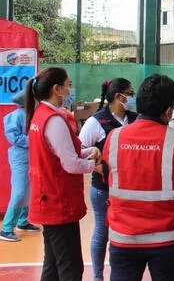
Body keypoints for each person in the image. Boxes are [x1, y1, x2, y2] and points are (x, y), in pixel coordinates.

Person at [102, 74, 174, 281]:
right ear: (169, 109)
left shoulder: (114, 137)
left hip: (123, 236)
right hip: (167, 239)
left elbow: (108, 175)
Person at [26, 67, 101, 281]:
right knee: (70, 268)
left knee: (52, 265)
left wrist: (88, 152)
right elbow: (70, 164)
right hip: (58, 202)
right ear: (57, 89)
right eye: (68, 85)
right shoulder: (54, 120)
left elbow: (60, 153)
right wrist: (94, 166)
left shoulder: (41, 116)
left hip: (48, 198)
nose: (70, 89)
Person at [78, 78, 137, 281]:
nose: (132, 97)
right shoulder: (96, 121)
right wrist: (99, 167)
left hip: (129, 190)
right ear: (119, 96)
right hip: (104, 188)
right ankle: (97, 276)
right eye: (130, 93)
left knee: (125, 235)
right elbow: (79, 150)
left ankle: (121, 274)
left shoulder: (135, 118)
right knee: (102, 233)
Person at [0, 90, 39, 242]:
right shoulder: (16, 115)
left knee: (29, 189)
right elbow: (13, 137)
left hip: (29, 157)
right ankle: (6, 228)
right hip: (20, 157)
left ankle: (23, 222)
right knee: (19, 192)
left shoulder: (30, 113)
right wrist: (35, 139)